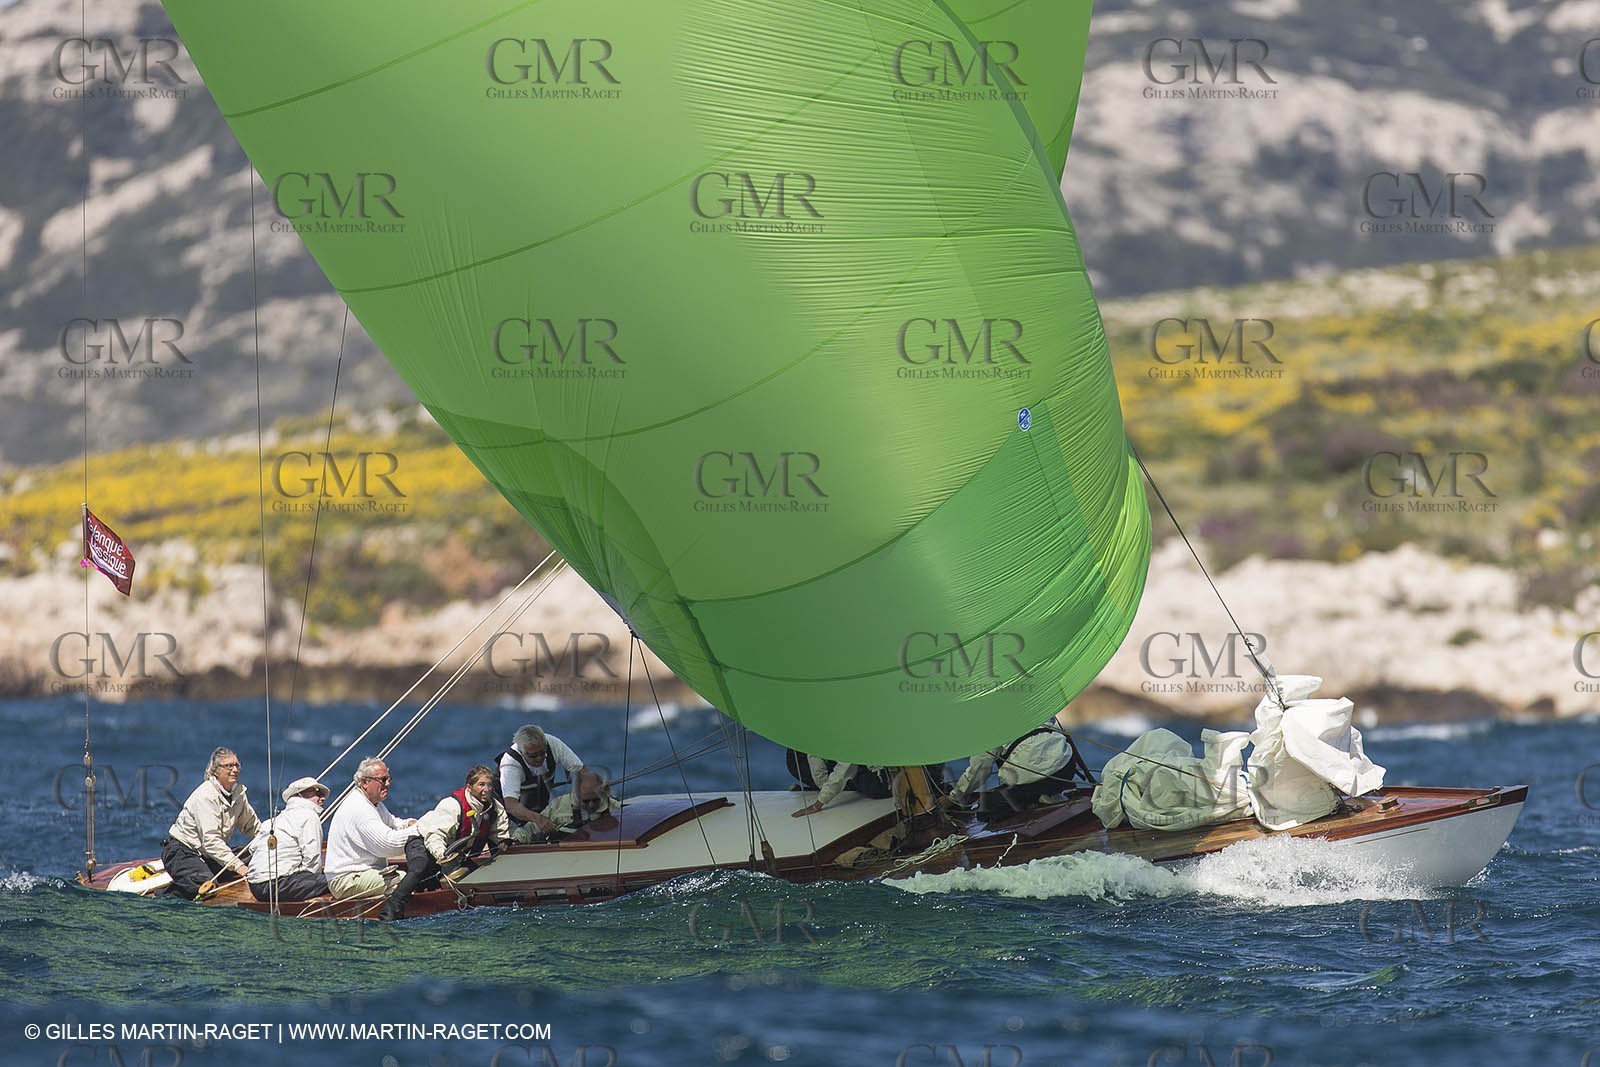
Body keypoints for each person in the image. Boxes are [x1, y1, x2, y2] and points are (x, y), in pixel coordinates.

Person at [382, 765, 510, 921]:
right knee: (420, 866)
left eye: (489, 785)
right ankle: (391, 910)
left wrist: (506, 843)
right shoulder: (452, 805)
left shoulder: (494, 808)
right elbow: (435, 835)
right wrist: (440, 854)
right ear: (469, 787)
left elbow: (500, 834)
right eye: (481, 785)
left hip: (451, 853)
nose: (487, 789)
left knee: (474, 872)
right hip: (423, 841)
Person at [161, 747, 260, 898]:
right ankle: (164, 896)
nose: (234, 770)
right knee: (206, 886)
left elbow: (252, 826)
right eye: (228, 766)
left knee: (257, 853)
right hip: (182, 852)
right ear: (215, 770)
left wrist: (272, 842)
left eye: (237, 765)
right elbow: (211, 841)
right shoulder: (206, 796)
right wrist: (239, 867)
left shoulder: (238, 794)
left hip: (209, 855)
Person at [324, 757, 419, 900]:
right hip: (346, 879)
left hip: (365, 873)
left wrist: (410, 824)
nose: (387, 784)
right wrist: (420, 831)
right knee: (405, 879)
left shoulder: (374, 803)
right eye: (382, 780)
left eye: (389, 779)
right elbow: (387, 845)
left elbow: (393, 823)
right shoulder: (359, 808)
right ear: (364, 783)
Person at [947, 724, 1091, 811]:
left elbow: (979, 771)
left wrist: (954, 797)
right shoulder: (1026, 703)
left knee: (986, 808)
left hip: (1034, 783)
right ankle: (1048, 795)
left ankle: (1039, 798)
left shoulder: (986, 727)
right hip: (1066, 769)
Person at [246, 777, 331, 902]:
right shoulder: (309, 816)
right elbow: (312, 861)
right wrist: (312, 881)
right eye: (317, 792)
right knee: (337, 879)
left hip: (255, 886)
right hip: (277, 887)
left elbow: (253, 849)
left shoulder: (273, 820)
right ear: (300, 795)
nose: (322, 797)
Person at [497, 724, 585, 838]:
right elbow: (511, 805)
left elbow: (581, 771)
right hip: (509, 816)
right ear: (522, 751)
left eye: (542, 753)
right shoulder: (510, 763)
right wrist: (537, 818)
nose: (539, 758)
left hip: (540, 808)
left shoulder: (553, 744)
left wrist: (584, 799)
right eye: (533, 756)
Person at [791, 757, 893, 817]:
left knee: (875, 789)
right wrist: (822, 786)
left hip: (872, 769)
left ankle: (841, 787)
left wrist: (818, 803)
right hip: (846, 763)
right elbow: (814, 757)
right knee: (794, 760)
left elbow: (845, 769)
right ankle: (838, 787)